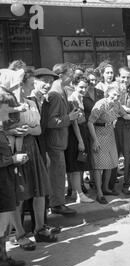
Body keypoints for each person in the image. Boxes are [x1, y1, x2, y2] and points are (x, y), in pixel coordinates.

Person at [7, 69, 58, 248]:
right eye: (29, 84)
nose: (30, 88)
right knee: (18, 193)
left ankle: (39, 229)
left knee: (39, 190)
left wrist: (27, 129)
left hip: (32, 147)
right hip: (14, 149)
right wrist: (14, 131)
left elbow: (38, 130)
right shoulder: (6, 104)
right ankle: (20, 234)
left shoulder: (31, 102)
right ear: (19, 85)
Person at [88, 83, 130, 204]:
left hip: (110, 133)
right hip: (99, 133)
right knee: (99, 165)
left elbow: (125, 116)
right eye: (114, 94)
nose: (116, 97)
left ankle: (106, 188)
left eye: (118, 95)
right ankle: (99, 193)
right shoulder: (100, 104)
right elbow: (90, 122)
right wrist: (95, 140)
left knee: (110, 163)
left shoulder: (117, 104)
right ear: (108, 94)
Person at [41, 63, 80, 215]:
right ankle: (57, 204)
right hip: (54, 142)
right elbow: (51, 122)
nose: (72, 77)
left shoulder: (60, 91)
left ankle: (57, 202)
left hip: (59, 141)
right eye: (70, 74)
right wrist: (69, 117)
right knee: (57, 174)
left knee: (58, 173)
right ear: (61, 76)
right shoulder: (55, 94)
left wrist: (72, 115)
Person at [0, 87, 28, 266]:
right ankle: (1, 265)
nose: (10, 110)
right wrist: (14, 159)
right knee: (1, 225)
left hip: (5, 180)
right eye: (6, 107)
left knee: (3, 224)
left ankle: (3, 256)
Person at [64, 75, 94, 203]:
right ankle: (79, 195)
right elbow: (75, 123)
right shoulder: (72, 99)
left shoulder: (80, 98)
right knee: (76, 167)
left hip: (82, 133)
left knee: (78, 166)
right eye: (81, 87)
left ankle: (75, 193)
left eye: (85, 87)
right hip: (75, 135)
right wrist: (80, 140)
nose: (83, 89)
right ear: (74, 85)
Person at [83, 68, 104, 189]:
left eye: (95, 79)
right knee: (88, 153)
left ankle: (96, 182)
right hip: (86, 126)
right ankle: (89, 180)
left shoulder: (100, 92)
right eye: (90, 79)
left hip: (99, 126)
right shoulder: (82, 93)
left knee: (97, 153)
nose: (93, 81)